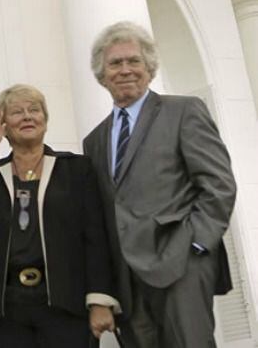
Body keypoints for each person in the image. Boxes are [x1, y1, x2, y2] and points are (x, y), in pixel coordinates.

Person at [83, 21, 237, 348]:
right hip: (127, 278)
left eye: (134, 61)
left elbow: (218, 184)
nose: (125, 70)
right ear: (102, 74)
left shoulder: (183, 111)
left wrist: (195, 246)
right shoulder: (94, 140)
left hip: (181, 264)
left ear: (149, 69)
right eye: (115, 63)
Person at [0, 84, 116, 347]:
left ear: (45, 120)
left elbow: (95, 236)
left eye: (34, 110)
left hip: (64, 304)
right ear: (3, 125)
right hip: (7, 308)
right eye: (16, 112)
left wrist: (99, 300)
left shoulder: (76, 169)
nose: (27, 116)